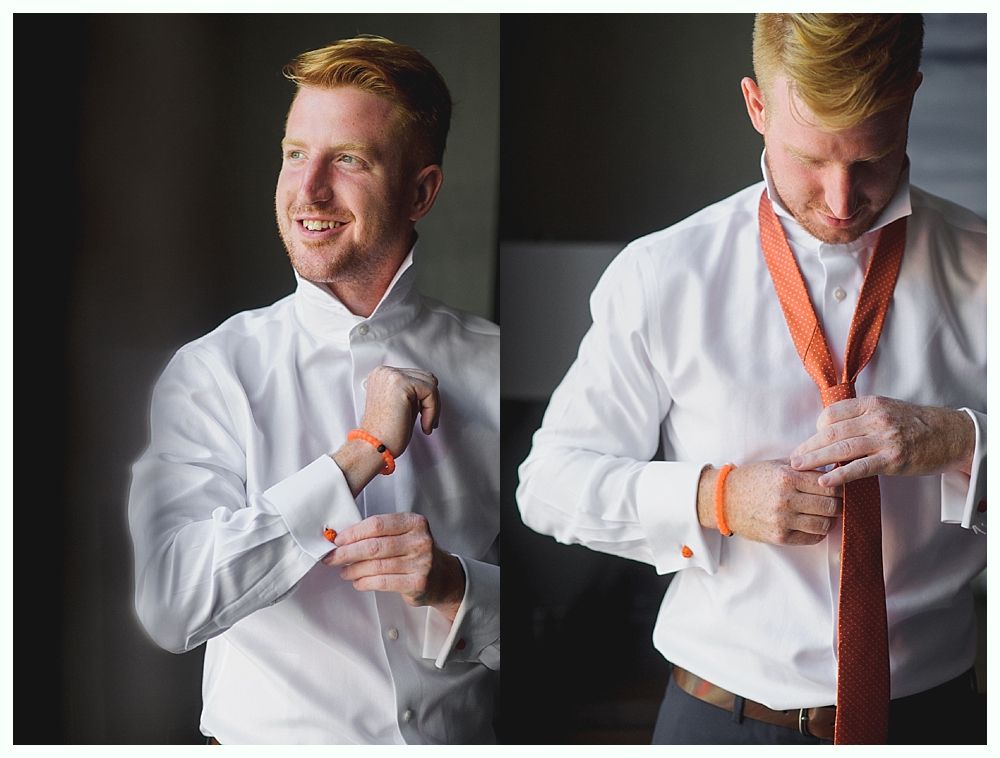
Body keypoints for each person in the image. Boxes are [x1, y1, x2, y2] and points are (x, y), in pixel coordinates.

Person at [517, 13, 984, 745]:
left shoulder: (987, 268)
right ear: (756, 106)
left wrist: (962, 442)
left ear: (911, 100)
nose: (841, 200)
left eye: (870, 158)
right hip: (722, 721)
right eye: (811, 159)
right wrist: (715, 497)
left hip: (939, 722)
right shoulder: (662, 275)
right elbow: (548, 485)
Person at [128, 36, 499, 745]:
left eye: (349, 159)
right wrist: (358, 455)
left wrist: (457, 588)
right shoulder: (213, 372)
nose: (309, 190)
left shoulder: (492, 364)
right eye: (296, 154)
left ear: (420, 191)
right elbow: (170, 604)